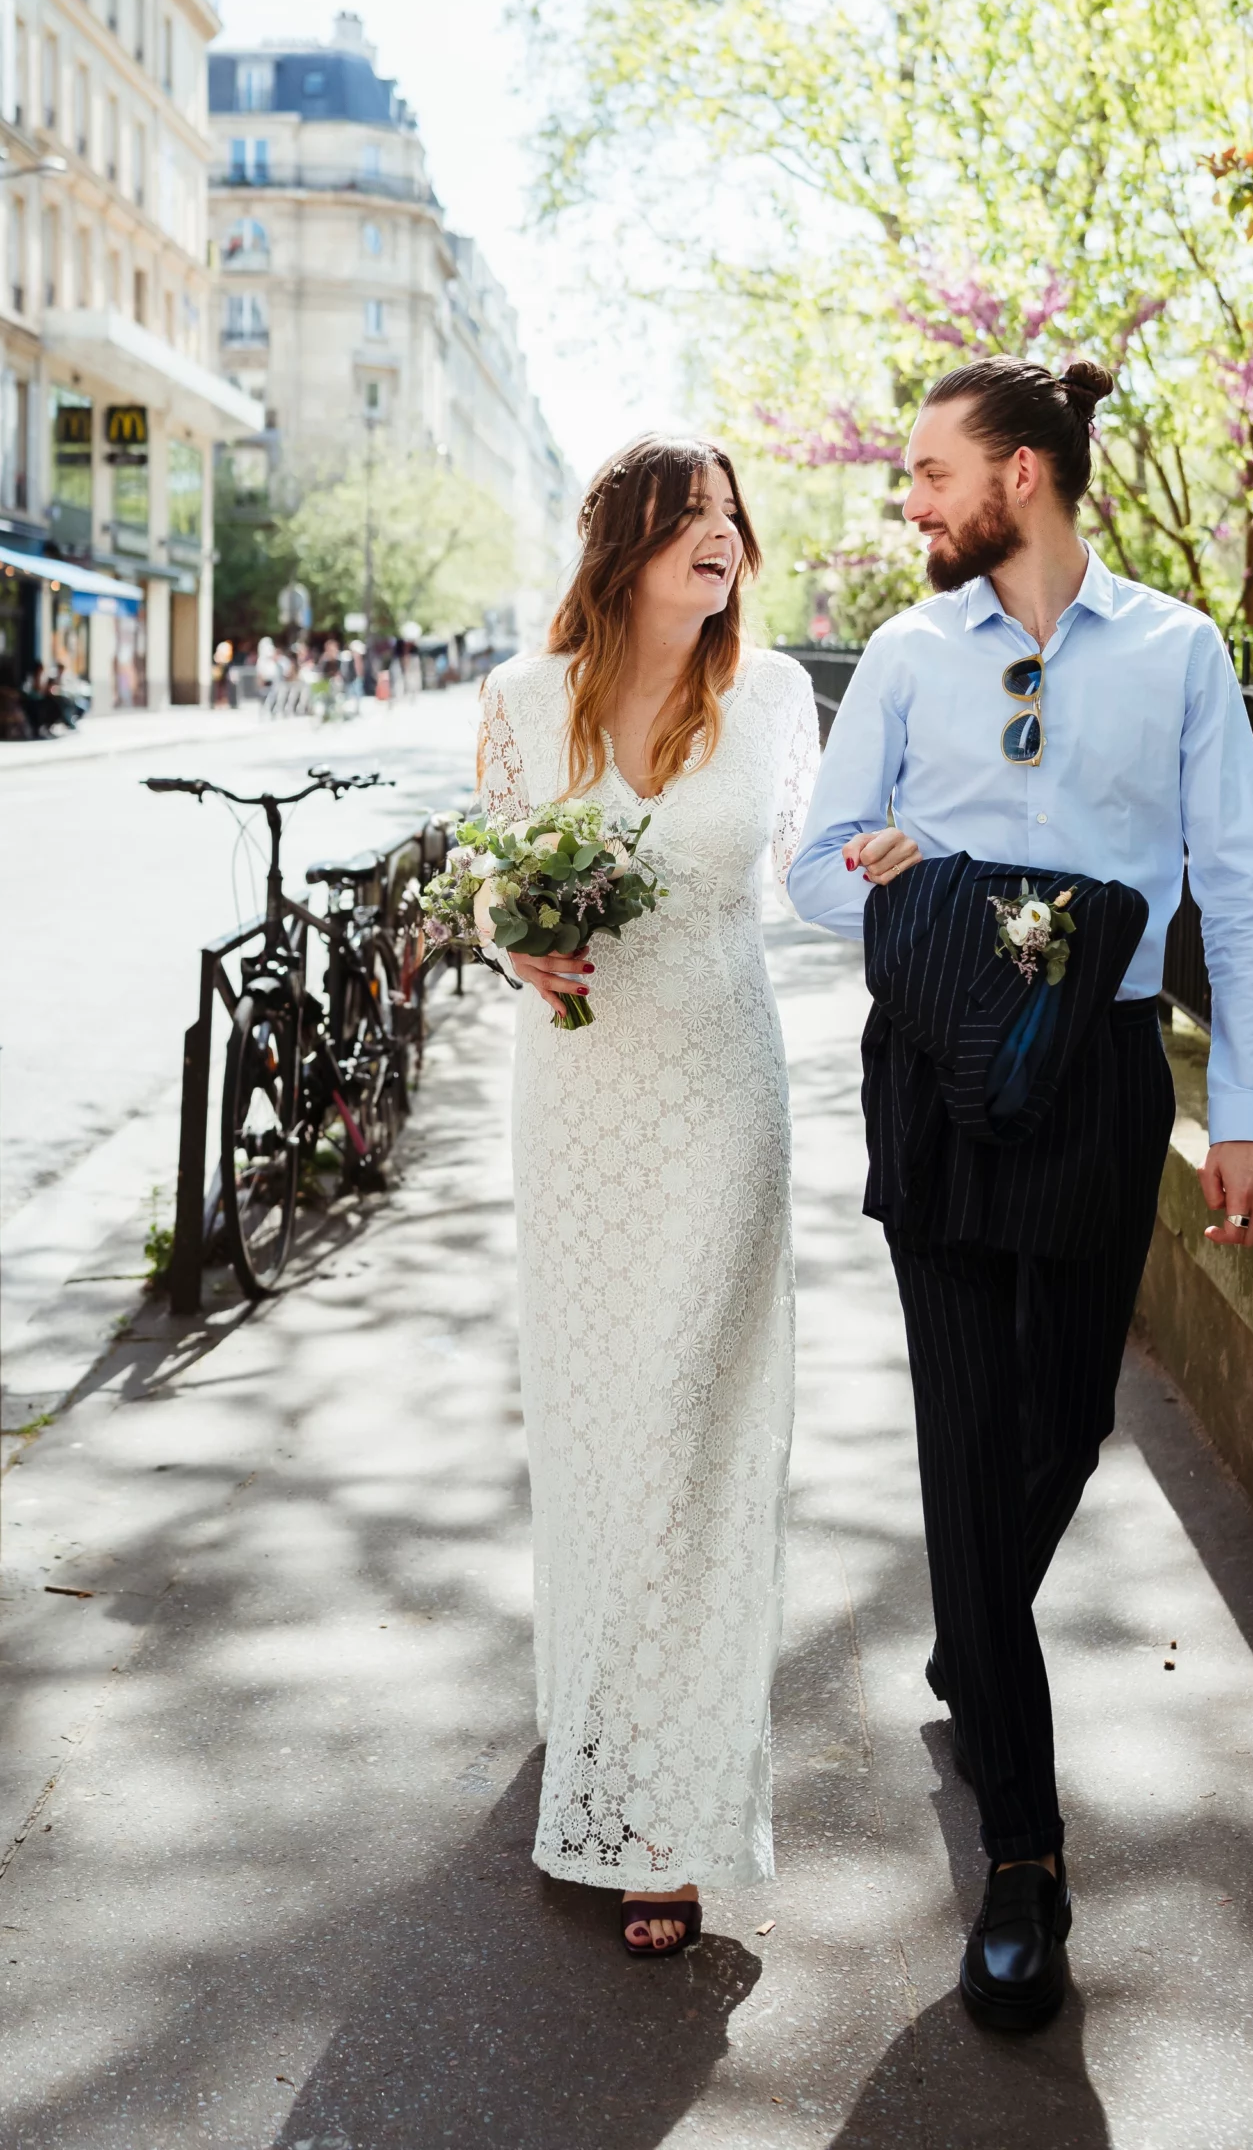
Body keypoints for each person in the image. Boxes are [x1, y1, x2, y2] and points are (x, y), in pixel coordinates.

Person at [788, 356, 1253, 2032]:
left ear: (1020, 473)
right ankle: (1022, 1858)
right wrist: (904, 875)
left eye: (930, 473)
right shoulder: (904, 652)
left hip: (1097, 1078)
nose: (910, 502)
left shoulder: (1174, 650)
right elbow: (813, 864)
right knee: (960, 1443)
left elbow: (1241, 888)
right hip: (935, 1072)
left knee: (1064, 1421)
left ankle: (971, 1632)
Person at [478, 434, 820, 1959]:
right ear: (621, 544)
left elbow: (818, 873)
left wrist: (919, 861)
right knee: (596, 1419)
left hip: (722, 1102)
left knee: (690, 1425)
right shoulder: (520, 698)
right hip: (578, 1108)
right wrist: (510, 941)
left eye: (730, 515)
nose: (719, 537)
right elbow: (485, 878)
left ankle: (661, 1813)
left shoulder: (777, 699)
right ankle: (595, 1704)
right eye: (688, 517)